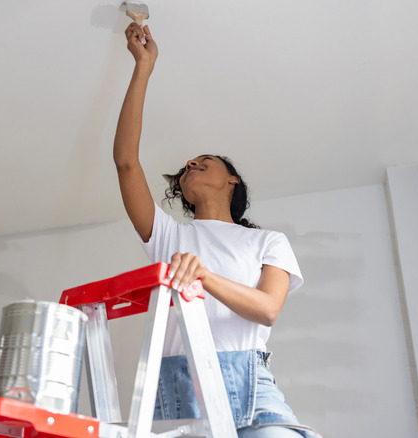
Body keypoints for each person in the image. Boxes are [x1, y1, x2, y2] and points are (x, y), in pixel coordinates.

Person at [113, 22, 321, 438]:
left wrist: (203, 275)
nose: (191, 163)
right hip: (181, 394)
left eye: (204, 159)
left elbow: (267, 309)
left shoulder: (266, 241)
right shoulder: (169, 237)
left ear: (232, 181)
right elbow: (126, 163)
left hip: (251, 385)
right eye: (187, 165)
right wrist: (143, 68)